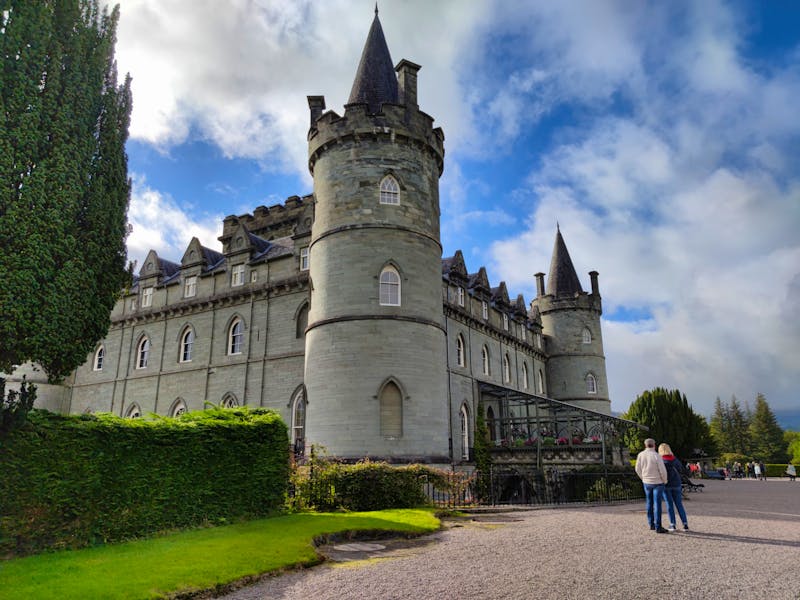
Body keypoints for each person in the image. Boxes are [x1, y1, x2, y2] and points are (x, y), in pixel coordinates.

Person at [635, 438, 668, 533]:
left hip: (647, 482)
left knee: (649, 503)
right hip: (657, 482)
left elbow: (637, 468)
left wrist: (643, 478)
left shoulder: (641, 455)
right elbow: (662, 470)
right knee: (657, 504)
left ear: (645, 445)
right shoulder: (656, 455)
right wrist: (664, 480)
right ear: (654, 445)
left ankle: (651, 524)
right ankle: (658, 526)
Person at [658, 443, 689, 531]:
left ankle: (672, 524)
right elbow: (681, 469)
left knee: (669, 505)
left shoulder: (661, 460)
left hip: (667, 484)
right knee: (679, 504)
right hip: (677, 484)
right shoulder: (675, 459)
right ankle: (685, 523)